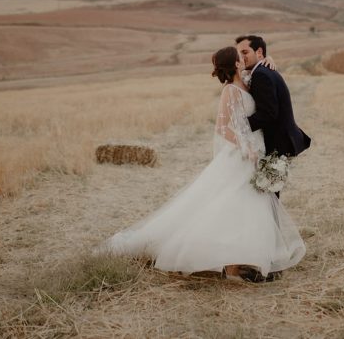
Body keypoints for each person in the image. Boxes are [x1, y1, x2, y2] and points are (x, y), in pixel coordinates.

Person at [100, 46, 305, 281]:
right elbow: (221, 128)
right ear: (236, 64)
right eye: (241, 57)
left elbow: (261, 71)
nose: (244, 58)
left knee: (249, 207)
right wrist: (245, 147)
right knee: (231, 204)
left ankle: (246, 260)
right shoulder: (229, 91)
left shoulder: (247, 81)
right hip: (241, 156)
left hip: (256, 154)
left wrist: (268, 59)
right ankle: (231, 266)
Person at [235, 35, 311, 199]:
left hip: (277, 143)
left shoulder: (261, 74)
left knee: (268, 196)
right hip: (278, 140)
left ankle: (271, 225)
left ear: (259, 52)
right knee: (268, 195)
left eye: (245, 52)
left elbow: (268, 114)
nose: (241, 57)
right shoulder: (263, 70)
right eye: (238, 54)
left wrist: (239, 126)